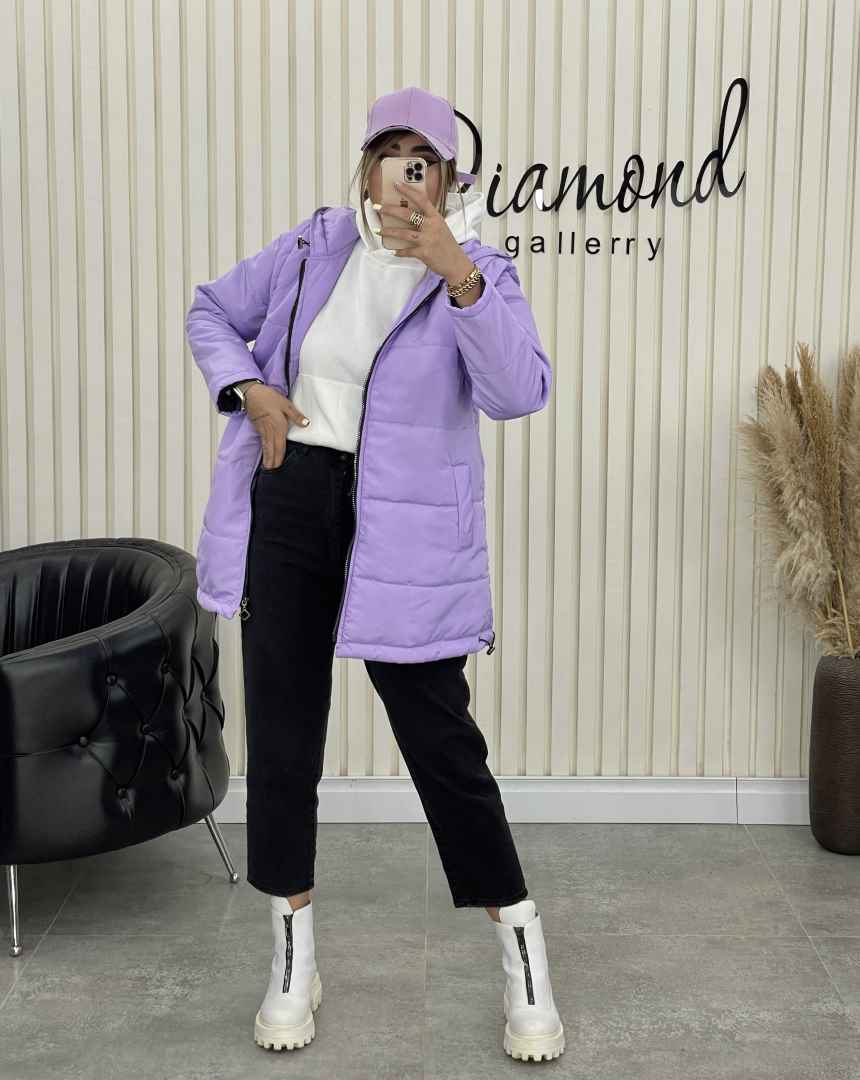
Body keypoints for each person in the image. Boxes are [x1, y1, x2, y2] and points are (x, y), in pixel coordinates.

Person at [185, 86, 564, 1063]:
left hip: (405, 524)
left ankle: (522, 951)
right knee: (282, 740)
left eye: (422, 160)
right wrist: (250, 389)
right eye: (390, 155)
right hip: (293, 497)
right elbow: (211, 311)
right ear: (366, 169)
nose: (404, 175)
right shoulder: (312, 246)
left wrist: (455, 272)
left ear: (447, 179)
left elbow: (518, 390)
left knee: (441, 742)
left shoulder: (476, 268)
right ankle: (291, 960)